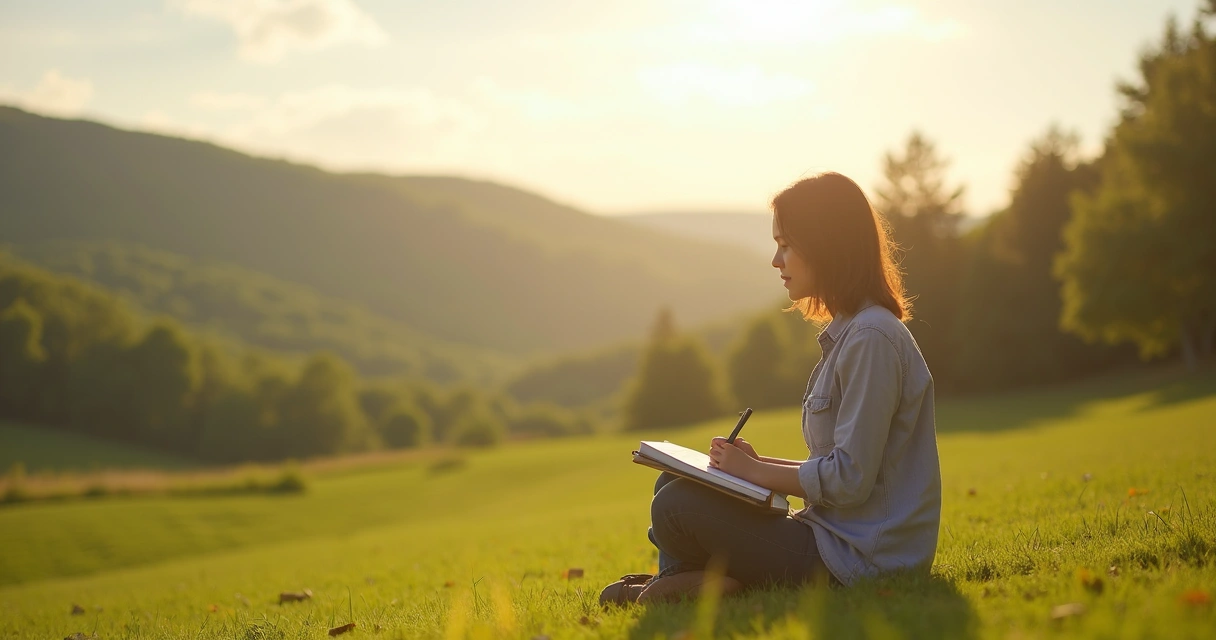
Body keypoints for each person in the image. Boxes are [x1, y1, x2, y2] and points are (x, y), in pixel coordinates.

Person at [600, 172, 942, 605]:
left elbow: (851, 479)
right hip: (828, 538)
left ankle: (674, 589)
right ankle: (685, 585)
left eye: (785, 245)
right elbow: (843, 463)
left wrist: (755, 474)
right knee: (673, 479)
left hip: (859, 561)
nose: (776, 261)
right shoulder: (851, 334)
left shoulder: (871, 338)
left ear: (825, 245)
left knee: (676, 506)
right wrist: (756, 463)